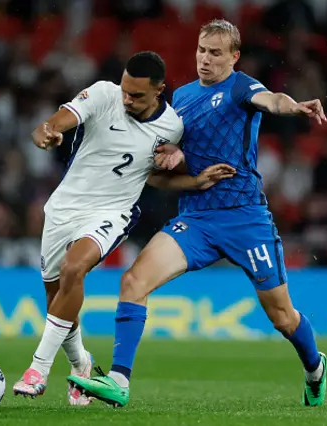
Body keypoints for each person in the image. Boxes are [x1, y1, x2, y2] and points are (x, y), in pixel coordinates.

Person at [68, 19, 327, 408]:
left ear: (234, 57)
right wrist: (175, 153)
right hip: (198, 218)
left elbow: (272, 100)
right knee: (133, 281)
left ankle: (315, 368)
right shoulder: (184, 97)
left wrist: (294, 107)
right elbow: (171, 148)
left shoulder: (240, 86)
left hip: (245, 217)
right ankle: (120, 381)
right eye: (202, 51)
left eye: (216, 53)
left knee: (282, 317)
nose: (205, 60)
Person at [13, 51, 236, 405]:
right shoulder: (105, 94)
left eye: (137, 95)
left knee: (75, 267)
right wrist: (49, 129)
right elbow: (65, 116)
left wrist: (193, 182)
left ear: (160, 90)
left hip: (112, 212)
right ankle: (81, 364)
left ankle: (37, 369)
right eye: (125, 91)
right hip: (63, 208)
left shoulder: (173, 127)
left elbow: (154, 177)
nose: (127, 99)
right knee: (57, 297)